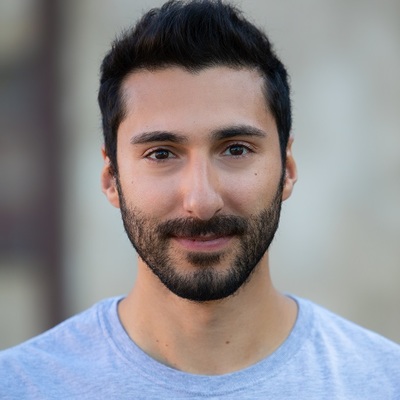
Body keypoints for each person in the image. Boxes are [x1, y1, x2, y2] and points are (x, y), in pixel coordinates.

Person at [1, 0, 399, 398]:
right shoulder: (20, 386)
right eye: (161, 154)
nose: (202, 201)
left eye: (236, 149)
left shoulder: (384, 381)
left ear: (288, 168)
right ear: (111, 179)